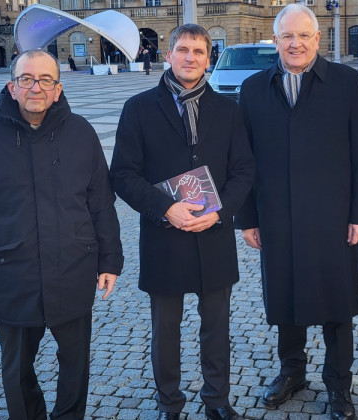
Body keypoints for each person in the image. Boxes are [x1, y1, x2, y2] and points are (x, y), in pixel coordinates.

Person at [0, 49, 124, 420]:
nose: (36, 87)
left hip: (72, 269)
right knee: (16, 371)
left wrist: (110, 260)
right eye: (27, 79)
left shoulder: (81, 132)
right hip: (12, 273)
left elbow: (101, 203)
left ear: (57, 89)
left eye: (45, 80)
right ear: (12, 87)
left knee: (75, 366)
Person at [236, 4, 358, 420]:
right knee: (285, 300)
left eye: (303, 35)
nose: (295, 43)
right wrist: (247, 218)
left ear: (318, 39)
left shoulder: (346, 82)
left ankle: (339, 384)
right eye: (287, 36)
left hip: (332, 216)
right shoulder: (253, 88)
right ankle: (292, 372)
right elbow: (242, 161)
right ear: (276, 41)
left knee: (337, 303)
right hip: (276, 215)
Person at [110, 23, 255, 420]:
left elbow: (244, 170)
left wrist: (221, 210)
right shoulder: (138, 108)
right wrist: (164, 208)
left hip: (214, 234)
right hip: (164, 236)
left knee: (216, 329)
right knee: (166, 331)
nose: (190, 58)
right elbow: (122, 174)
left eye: (199, 52)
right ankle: (169, 404)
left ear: (209, 59)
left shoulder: (228, 109)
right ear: (168, 54)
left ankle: (217, 401)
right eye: (183, 50)